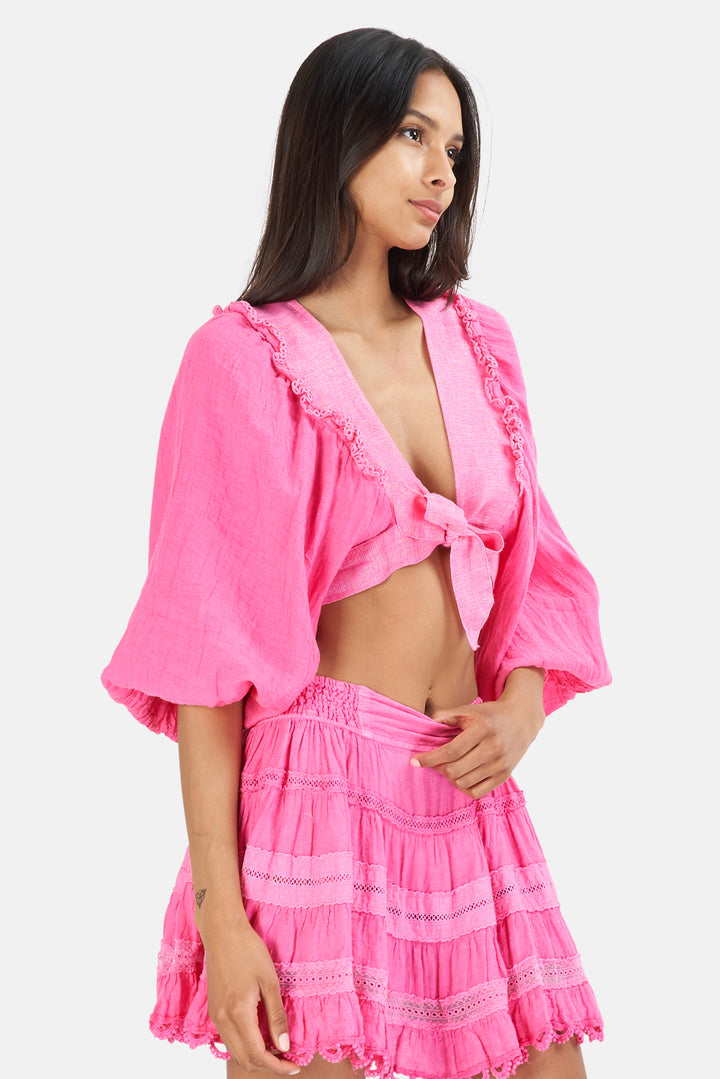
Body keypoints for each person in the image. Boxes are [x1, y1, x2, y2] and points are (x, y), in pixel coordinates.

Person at [101, 27, 611, 1079]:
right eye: (414, 134)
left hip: (469, 791)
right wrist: (222, 918)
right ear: (336, 136)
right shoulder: (241, 360)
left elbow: (535, 566)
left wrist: (520, 708)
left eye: (455, 149)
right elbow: (207, 656)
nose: (441, 173)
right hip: (317, 793)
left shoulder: (480, 341)